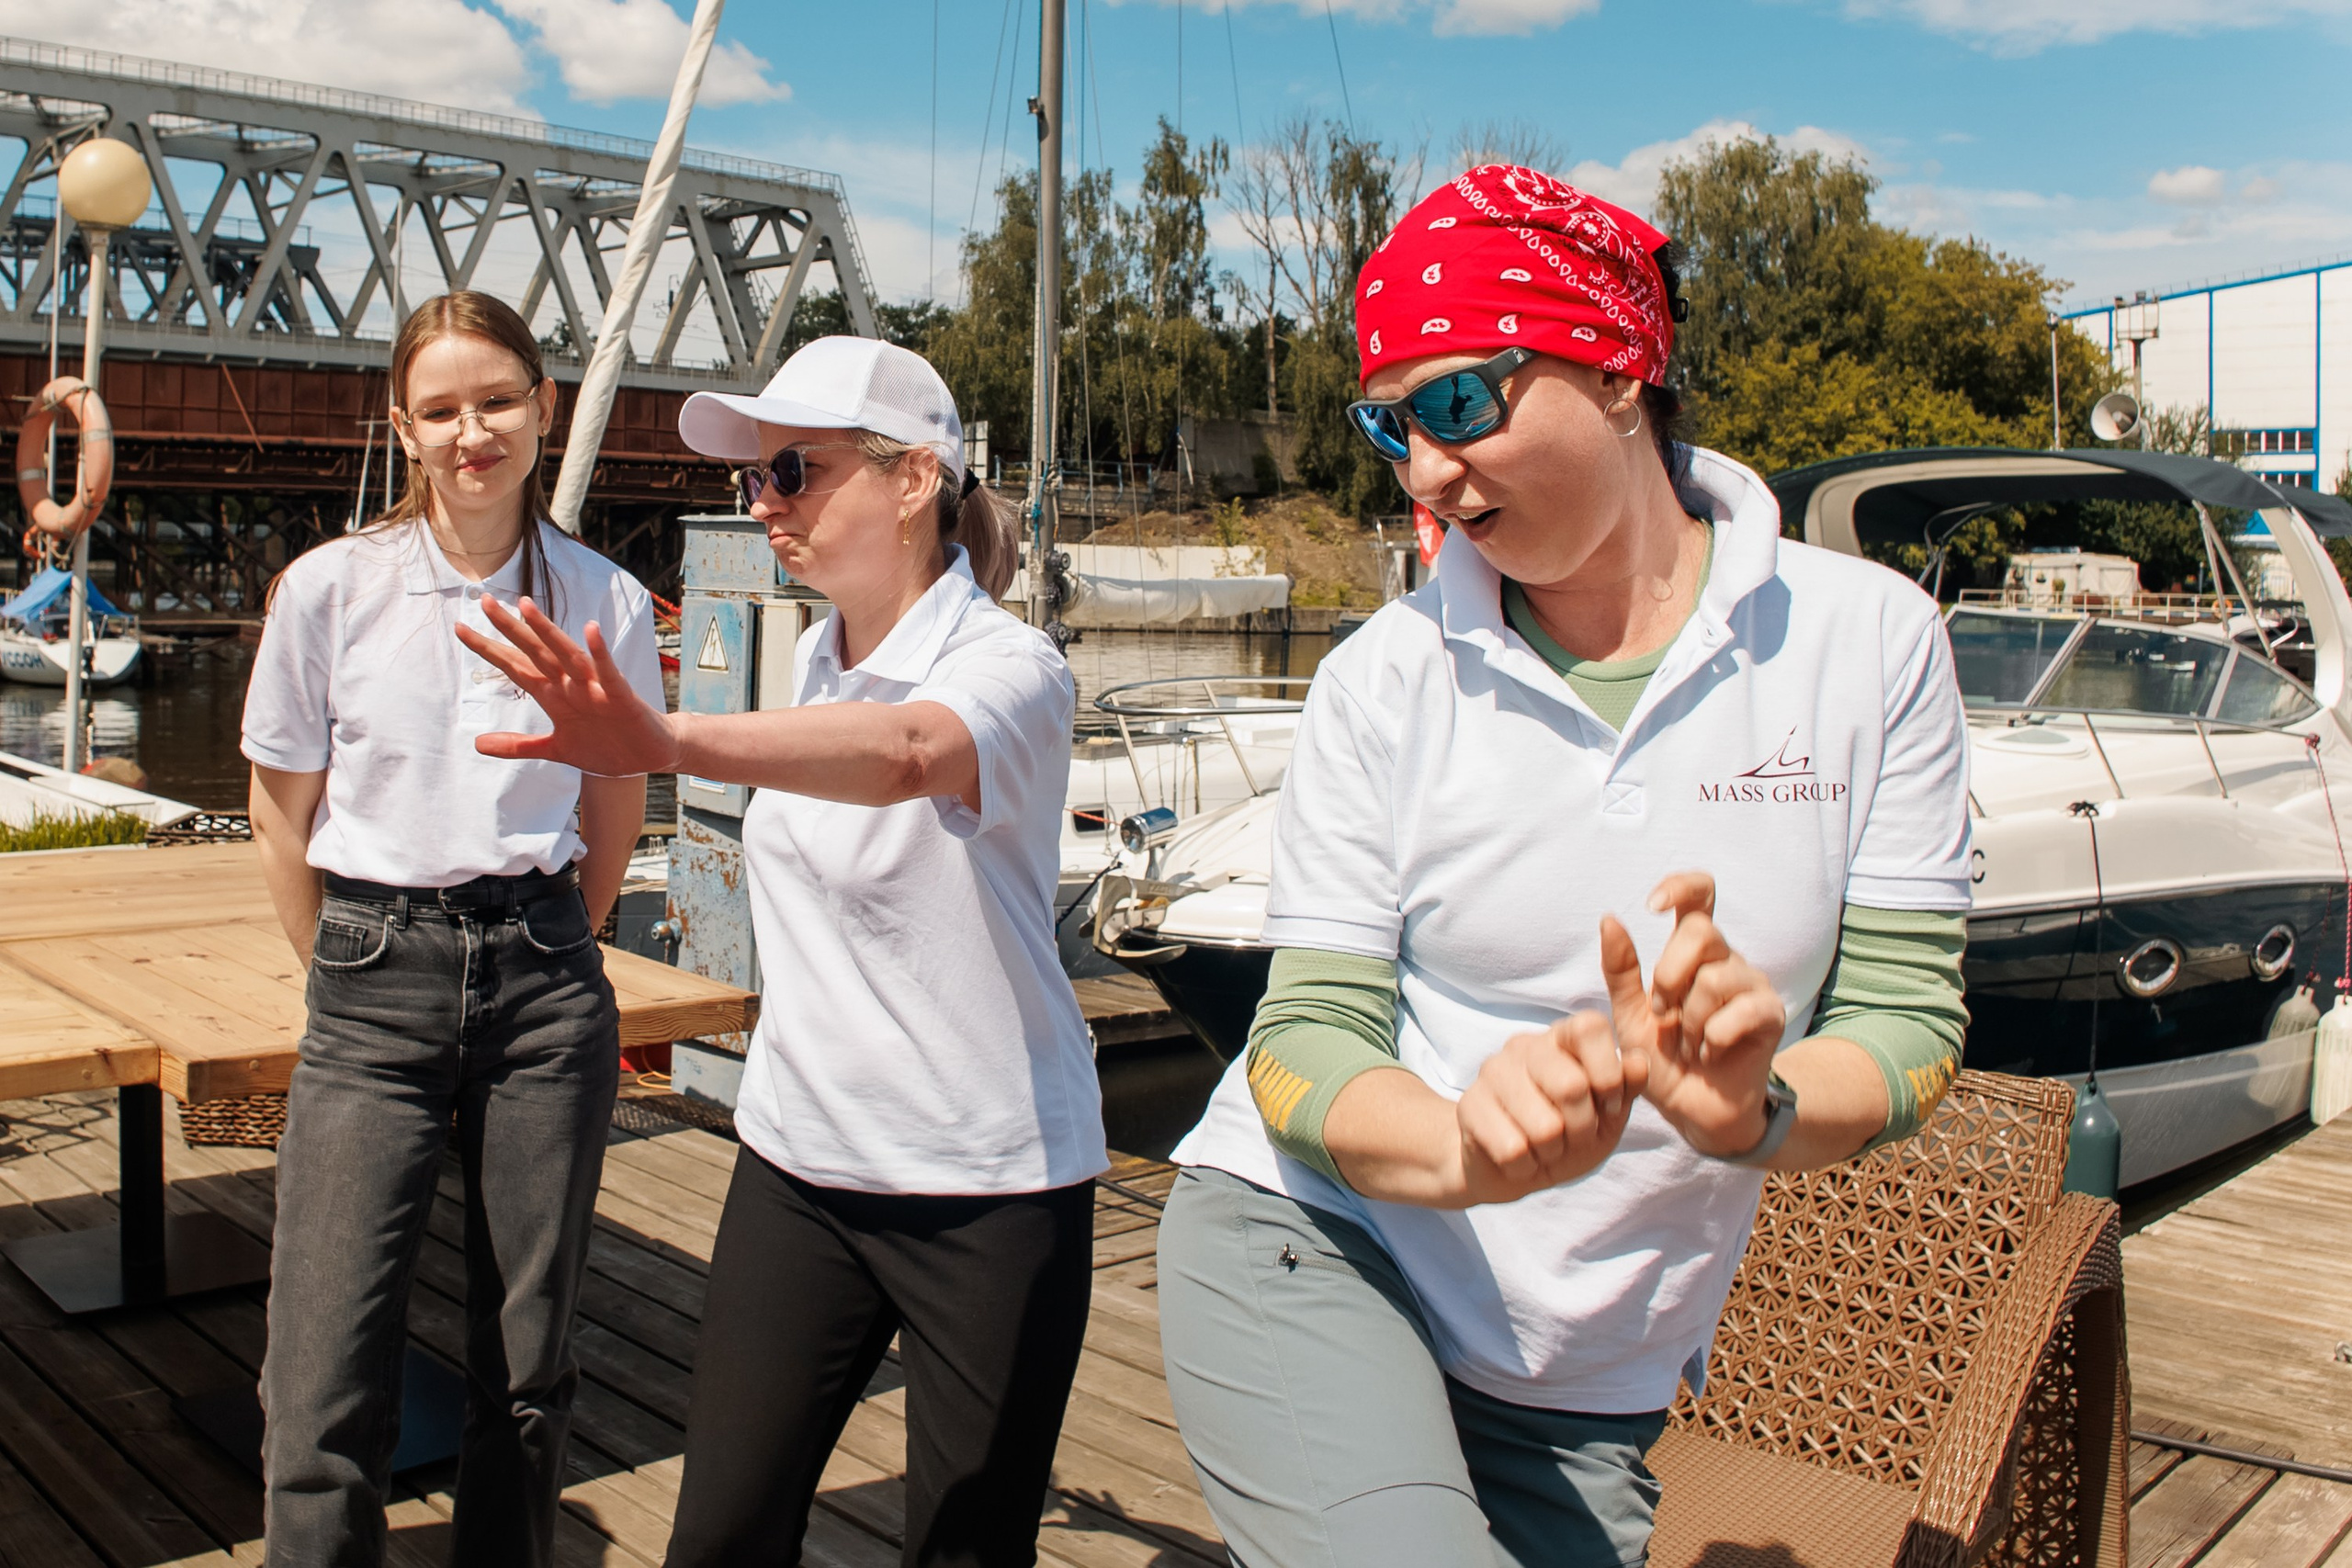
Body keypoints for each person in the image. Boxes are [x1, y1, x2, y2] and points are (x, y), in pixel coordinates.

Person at [1157, 165, 1974, 1568]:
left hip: (1592, 1371)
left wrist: (1754, 1110)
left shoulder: (1873, 643)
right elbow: (1302, 1042)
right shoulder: (1381, 680)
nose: (1424, 468)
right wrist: (1461, 1146)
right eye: (1390, 425)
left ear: (1616, 369)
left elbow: (1909, 1024)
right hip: (1323, 1241)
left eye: (1460, 403)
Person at [455, 335, 1107, 1568]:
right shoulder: (814, 659)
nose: (764, 504)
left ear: (914, 479)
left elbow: (911, 754)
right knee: (720, 1537)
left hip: (990, 1184)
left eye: (793, 471)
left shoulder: (1011, 668)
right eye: (753, 478)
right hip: (801, 1164)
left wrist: (666, 740)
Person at [243, 290, 665, 1566]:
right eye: (440, 410)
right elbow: (280, 809)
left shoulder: (605, 599)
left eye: (496, 401)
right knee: (321, 1370)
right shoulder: (331, 590)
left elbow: (614, 807)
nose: (471, 433)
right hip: (372, 978)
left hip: (543, 984)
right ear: (403, 428)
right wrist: (341, 966)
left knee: (526, 1364)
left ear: (543, 407)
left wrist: (562, 941)